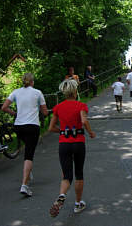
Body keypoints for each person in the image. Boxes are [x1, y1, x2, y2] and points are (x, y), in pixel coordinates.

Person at [48, 79, 96, 217]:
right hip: (78, 143)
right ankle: (77, 203)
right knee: (79, 173)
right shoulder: (81, 105)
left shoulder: (58, 107)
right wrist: (90, 132)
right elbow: (84, 121)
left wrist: (62, 131)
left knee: (66, 175)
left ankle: (61, 195)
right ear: (75, 92)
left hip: (64, 144)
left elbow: (51, 128)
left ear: (64, 92)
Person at [2, 73, 48, 197]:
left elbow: (4, 107)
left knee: (28, 148)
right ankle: (24, 185)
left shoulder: (16, 92)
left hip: (19, 127)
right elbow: (44, 112)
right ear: (32, 82)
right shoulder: (38, 93)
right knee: (29, 155)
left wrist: (15, 114)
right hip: (32, 126)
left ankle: (28, 173)